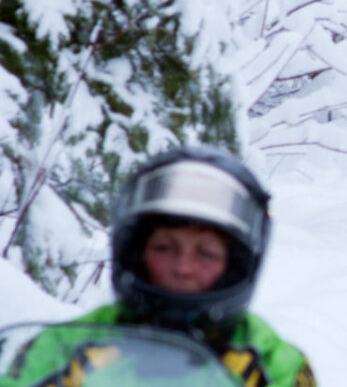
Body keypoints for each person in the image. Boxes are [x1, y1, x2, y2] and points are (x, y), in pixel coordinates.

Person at [5, 147, 316, 387]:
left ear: (234, 265)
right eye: (165, 248)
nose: (183, 267)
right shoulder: (64, 347)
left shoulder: (271, 362)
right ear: (135, 252)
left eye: (205, 253)